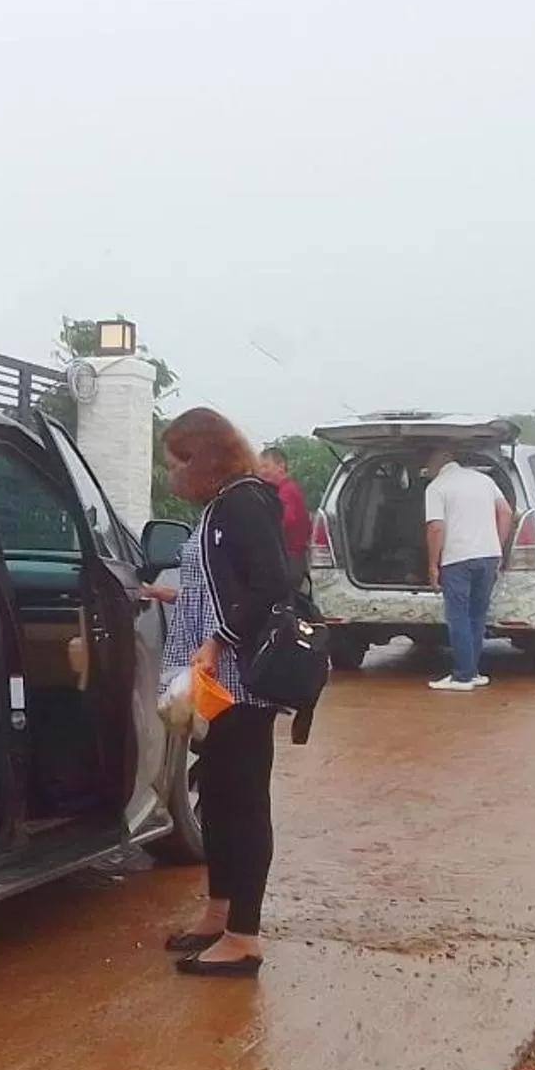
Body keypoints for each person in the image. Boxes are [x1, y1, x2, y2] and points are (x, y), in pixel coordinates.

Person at [157, 407, 293, 978]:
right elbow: (219, 582)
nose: (172, 475)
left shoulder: (244, 501)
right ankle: (219, 912)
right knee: (215, 794)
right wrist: (173, 599)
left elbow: (270, 583)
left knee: (242, 803)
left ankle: (244, 936)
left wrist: (217, 641)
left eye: (178, 462)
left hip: (239, 680)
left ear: (202, 457)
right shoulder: (220, 506)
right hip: (214, 684)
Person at [424, 444, 512, 692]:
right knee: (477, 616)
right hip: (489, 556)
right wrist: (498, 545)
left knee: (458, 617)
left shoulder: (437, 487)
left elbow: (436, 528)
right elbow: (506, 512)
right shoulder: (483, 480)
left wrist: (433, 564)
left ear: (436, 464)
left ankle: (462, 676)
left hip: (458, 559)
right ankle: (472, 672)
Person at [259, 446, 313, 579]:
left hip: (291, 560)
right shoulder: (287, 490)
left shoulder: (286, 492)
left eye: (266, 466)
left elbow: (285, 522)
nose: (262, 472)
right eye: (260, 467)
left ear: (281, 466)